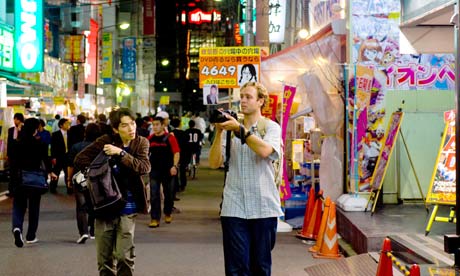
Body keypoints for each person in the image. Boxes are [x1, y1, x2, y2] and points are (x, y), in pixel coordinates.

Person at [208, 82, 283, 276]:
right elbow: (214, 163)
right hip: (234, 206)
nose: (243, 100)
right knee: (236, 268)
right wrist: (219, 132)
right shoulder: (229, 130)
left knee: (260, 266)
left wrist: (240, 130)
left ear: (260, 101)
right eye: (241, 96)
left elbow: (265, 151)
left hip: (263, 206)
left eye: (248, 97)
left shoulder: (271, 128)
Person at [74, 107, 151, 275]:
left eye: (132, 124)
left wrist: (121, 153)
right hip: (105, 204)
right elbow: (80, 159)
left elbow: (144, 167)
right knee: (104, 260)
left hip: (127, 206)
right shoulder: (105, 141)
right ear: (116, 128)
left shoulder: (141, 142)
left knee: (124, 256)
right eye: (125, 125)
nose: (131, 129)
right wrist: (101, 167)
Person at [12, 118, 57, 247]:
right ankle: (31, 235)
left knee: (18, 205)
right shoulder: (40, 143)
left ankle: (17, 228)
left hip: (20, 178)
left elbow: (13, 163)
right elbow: (46, 160)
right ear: (35, 130)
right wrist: (51, 172)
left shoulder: (16, 143)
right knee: (34, 207)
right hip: (35, 179)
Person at [67, 123, 102, 244]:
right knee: (94, 204)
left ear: (85, 133)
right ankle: (93, 230)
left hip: (79, 179)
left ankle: (83, 232)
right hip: (96, 179)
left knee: (81, 206)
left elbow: (71, 165)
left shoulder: (76, 147)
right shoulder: (101, 147)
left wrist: (69, 179)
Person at [147, 116, 180, 228]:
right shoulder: (150, 139)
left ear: (163, 125)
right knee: (154, 195)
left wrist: (174, 166)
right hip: (154, 171)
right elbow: (146, 154)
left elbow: (176, 153)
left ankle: (167, 212)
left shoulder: (170, 138)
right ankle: (155, 218)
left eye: (157, 125)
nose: (155, 127)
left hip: (168, 170)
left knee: (169, 194)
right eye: (153, 125)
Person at [50, 118, 71, 194]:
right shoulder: (55, 134)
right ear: (61, 125)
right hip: (58, 156)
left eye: (68, 123)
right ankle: (52, 187)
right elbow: (53, 147)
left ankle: (69, 188)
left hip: (67, 156)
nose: (68, 125)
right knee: (56, 172)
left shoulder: (70, 133)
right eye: (66, 123)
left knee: (67, 173)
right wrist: (53, 157)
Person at [7, 113, 24, 197]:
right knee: (12, 173)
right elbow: (9, 143)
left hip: (21, 156)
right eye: (14, 119)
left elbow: (23, 141)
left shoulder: (24, 129)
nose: (15, 121)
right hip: (12, 155)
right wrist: (8, 154)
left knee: (20, 173)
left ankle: (19, 191)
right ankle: (11, 191)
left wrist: (20, 130)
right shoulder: (10, 130)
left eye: (17, 119)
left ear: (20, 120)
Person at [170, 118, 188, 193]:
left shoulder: (171, 134)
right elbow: (187, 145)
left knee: (175, 170)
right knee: (183, 170)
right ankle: (183, 185)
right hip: (183, 154)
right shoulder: (184, 133)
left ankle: (175, 186)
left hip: (173, 154)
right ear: (180, 124)